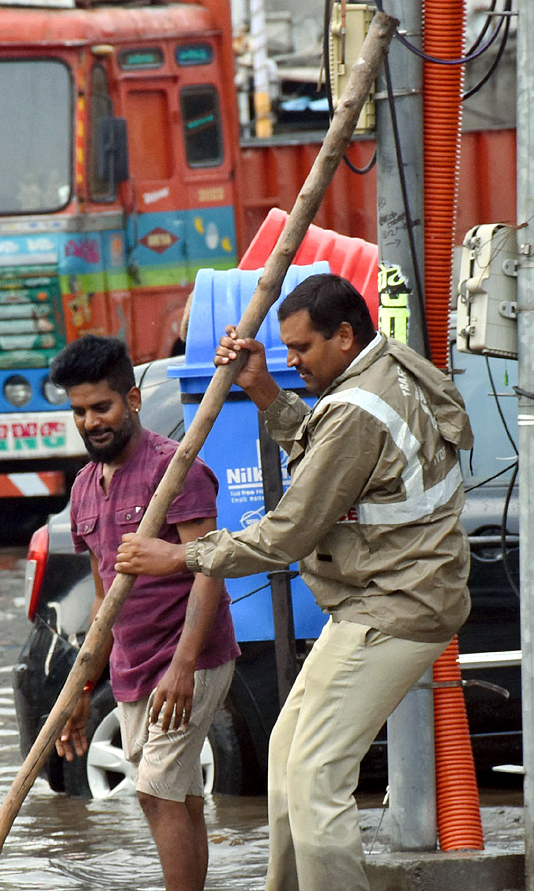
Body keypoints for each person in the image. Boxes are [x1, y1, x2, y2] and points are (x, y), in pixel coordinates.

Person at [115, 274, 473, 891]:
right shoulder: (380, 371)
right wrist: (260, 389)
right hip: (382, 596)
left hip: (396, 603)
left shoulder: (360, 407)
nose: (291, 361)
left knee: (314, 774)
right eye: (284, 349)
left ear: (343, 335)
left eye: (301, 349)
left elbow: (287, 533)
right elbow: (325, 451)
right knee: (285, 753)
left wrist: (179, 558)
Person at [48, 334, 240, 891]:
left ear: (132, 400)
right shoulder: (85, 488)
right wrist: (83, 691)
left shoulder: (174, 469)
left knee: (154, 791)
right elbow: (105, 599)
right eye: (79, 411)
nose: (90, 421)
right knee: (176, 794)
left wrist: (183, 666)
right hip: (132, 669)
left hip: (191, 656)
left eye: (101, 407)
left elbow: (209, 567)